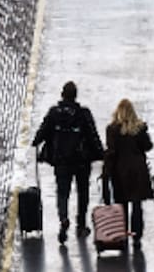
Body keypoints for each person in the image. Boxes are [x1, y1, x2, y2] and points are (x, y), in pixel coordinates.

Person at [32, 81, 105, 243]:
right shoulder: (83, 113)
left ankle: (63, 219)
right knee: (83, 192)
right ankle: (81, 224)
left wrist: (36, 142)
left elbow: (42, 133)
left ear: (62, 94)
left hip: (61, 161)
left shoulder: (54, 113)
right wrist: (101, 154)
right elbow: (93, 136)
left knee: (63, 192)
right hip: (81, 161)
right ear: (75, 95)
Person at [103, 98, 153, 245]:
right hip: (138, 170)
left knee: (121, 204)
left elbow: (111, 150)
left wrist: (107, 170)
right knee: (137, 204)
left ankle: (123, 234)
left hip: (120, 170)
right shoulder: (139, 128)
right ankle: (137, 236)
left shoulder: (112, 129)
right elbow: (148, 146)